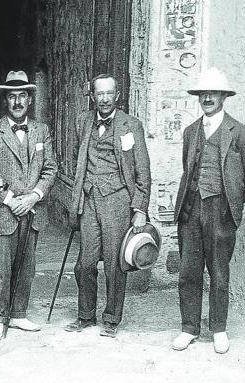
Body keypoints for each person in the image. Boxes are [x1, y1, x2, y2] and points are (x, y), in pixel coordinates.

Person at [172, 67, 245, 353]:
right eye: (203, 94)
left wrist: (230, 200)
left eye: (213, 93)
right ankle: (189, 328)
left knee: (219, 272)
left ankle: (219, 329)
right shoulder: (189, 132)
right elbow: (189, 170)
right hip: (190, 210)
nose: (208, 98)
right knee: (188, 271)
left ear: (224, 96)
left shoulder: (242, 134)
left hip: (220, 211)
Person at [65, 73, 151, 338]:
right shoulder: (82, 121)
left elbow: (143, 169)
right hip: (89, 199)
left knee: (115, 263)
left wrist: (140, 208)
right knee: (85, 263)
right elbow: (75, 158)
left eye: (108, 93)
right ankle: (86, 315)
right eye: (99, 94)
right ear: (93, 96)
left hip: (117, 200)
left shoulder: (131, 125)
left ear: (117, 95)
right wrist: (80, 193)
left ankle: (112, 318)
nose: (103, 99)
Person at [0, 70, 57, 341]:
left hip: (32, 211)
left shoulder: (41, 130)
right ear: (5, 101)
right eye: (12, 97)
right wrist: (11, 200)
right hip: (3, 212)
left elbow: (50, 169)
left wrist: (34, 196)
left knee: (27, 267)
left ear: (30, 100)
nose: (18, 101)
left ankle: (18, 314)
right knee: (0, 268)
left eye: (23, 95)